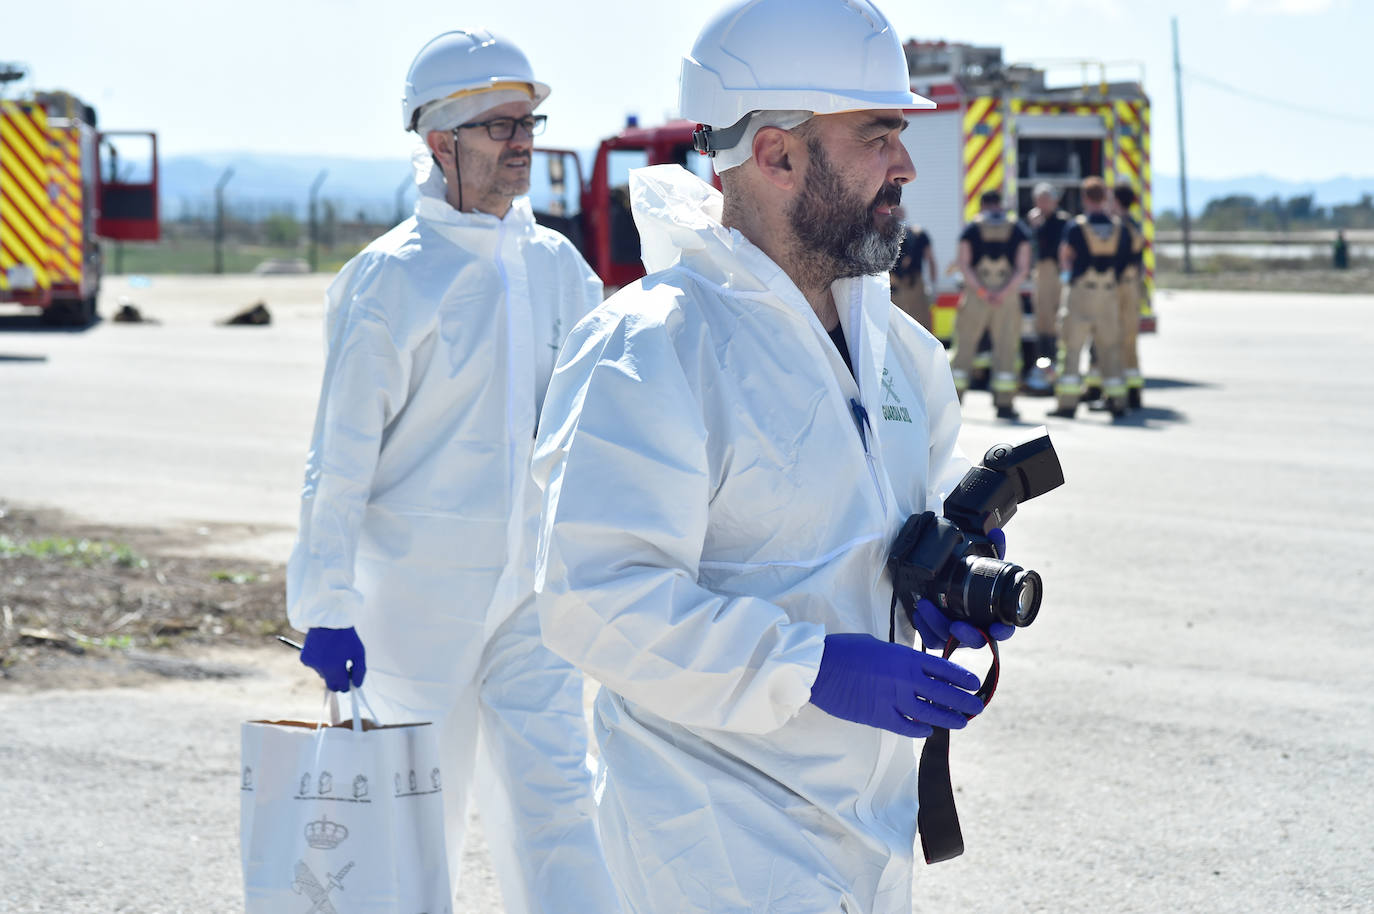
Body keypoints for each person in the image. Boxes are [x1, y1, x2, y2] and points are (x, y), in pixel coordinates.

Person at [531, 1, 1016, 910]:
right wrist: (813, 668)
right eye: (878, 134)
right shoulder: (654, 347)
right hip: (711, 830)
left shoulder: (900, 349)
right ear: (777, 154)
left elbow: (900, 504)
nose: (906, 164)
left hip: (868, 826)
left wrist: (951, 581)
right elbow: (593, 600)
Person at [284, 28, 620, 914]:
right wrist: (324, 606)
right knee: (411, 828)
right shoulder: (389, 280)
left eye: (529, 122)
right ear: (441, 142)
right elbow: (340, 459)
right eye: (502, 126)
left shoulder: (558, 269)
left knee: (562, 810)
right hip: (412, 610)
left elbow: (591, 432)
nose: (524, 143)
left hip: (530, 605)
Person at [1052, 176, 1131, 419]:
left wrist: (1067, 276)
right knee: (1110, 348)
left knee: (1072, 347)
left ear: (1086, 198)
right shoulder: (1119, 227)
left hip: (1081, 293)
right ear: (1105, 197)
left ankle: (1067, 403)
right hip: (1108, 294)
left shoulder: (1077, 226)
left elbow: (1065, 255)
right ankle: (1117, 400)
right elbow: (1124, 260)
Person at [950, 189, 1032, 420]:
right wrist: (1004, 291)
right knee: (1006, 348)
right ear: (999, 205)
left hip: (977, 296)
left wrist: (984, 291)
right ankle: (1004, 404)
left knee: (964, 348)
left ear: (982, 205)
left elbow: (964, 264)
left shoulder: (972, 229)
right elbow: (1023, 267)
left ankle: (954, 402)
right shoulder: (1017, 228)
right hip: (1007, 297)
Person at [1027, 182, 1070, 392]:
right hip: (1041, 273)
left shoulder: (1061, 221)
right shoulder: (1038, 221)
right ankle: (1043, 368)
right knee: (1042, 320)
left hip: (1054, 273)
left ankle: (1054, 369)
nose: (1041, 204)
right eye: (1039, 200)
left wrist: (1038, 226)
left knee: (1053, 322)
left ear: (1055, 200)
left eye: (1045, 199)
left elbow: (1052, 244)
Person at [1111, 182, 1147, 410]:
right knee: (1130, 340)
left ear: (1115, 201)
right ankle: (1133, 392)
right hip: (1133, 287)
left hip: (1119, 287)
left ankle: (1117, 394)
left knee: (1113, 339)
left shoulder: (1120, 227)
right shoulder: (1135, 225)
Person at [890, 223, 937, 332]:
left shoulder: (887, 232)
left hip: (895, 280)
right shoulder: (920, 233)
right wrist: (933, 284)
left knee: (897, 321)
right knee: (920, 322)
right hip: (914, 281)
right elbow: (930, 259)